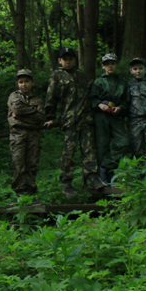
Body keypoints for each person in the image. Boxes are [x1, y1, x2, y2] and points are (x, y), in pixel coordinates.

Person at [45, 46, 104, 199]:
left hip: (85, 119)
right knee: (68, 152)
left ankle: (92, 178)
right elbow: (51, 97)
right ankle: (67, 183)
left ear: (75, 60)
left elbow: (89, 94)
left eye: (70, 59)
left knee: (89, 150)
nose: (68, 62)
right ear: (60, 60)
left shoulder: (81, 75)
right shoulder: (57, 76)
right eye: (65, 59)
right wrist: (50, 116)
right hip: (69, 119)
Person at [90, 53, 131, 185]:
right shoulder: (98, 82)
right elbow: (91, 99)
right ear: (103, 66)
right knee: (102, 145)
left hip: (116, 117)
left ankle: (107, 167)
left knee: (124, 142)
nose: (110, 66)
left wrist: (120, 108)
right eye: (107, 64)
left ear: (116, 64)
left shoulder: (122, 83)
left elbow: (126, 102)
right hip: (101, 117)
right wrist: (100, 105)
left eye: (112, 63)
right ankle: (104, 177)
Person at [7, 68, 45, 196]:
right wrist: (32, 113)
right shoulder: (14, 96)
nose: (24, 84)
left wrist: (23, 116)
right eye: (21, 82)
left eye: (26, 81)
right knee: (19, 163)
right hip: (18, 135)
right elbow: (17, 109)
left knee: (32, 164)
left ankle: (30, 192)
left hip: (33, 135)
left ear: (32, 82)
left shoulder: (37, 99)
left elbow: (40, 117)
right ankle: (19, 192)